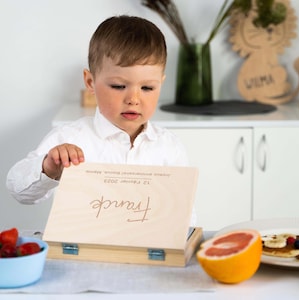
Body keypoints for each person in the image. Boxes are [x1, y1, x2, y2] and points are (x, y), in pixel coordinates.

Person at [6, 15, 193, 222]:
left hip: (148, 252)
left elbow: (184, 214)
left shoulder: (170, 147)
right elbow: (18, 189)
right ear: (90, 82)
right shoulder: (70, 139)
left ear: (160, 84)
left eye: (147, 88)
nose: (133, 99)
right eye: (118, 86)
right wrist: (48, 168)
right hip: (82, 252)